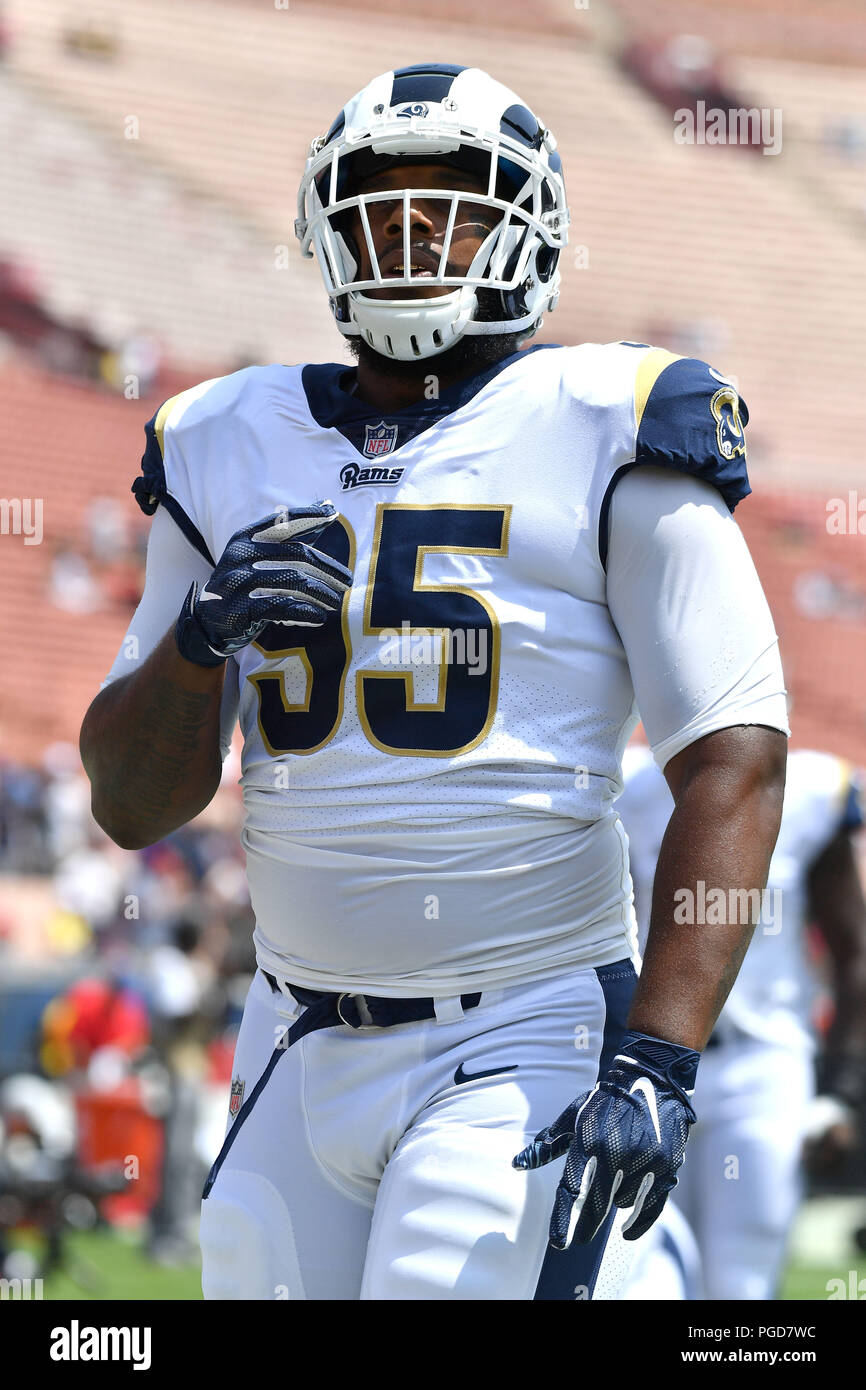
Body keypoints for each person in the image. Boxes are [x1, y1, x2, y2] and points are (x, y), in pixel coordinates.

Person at [80, 63, 788, 1301]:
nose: (410, 235)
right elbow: (130, 805)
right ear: (321, 228)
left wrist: (657, 1060)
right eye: (378, 205)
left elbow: (733, 755)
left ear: (531, 226)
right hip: (292, 1029)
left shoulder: (610, 418)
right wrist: (200, 641)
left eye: (451, 203)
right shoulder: (218, 440)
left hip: (521, 1026)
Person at [619, 745, 866, 1299]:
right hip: (648, 1060)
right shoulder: (629, 784)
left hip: (762, 1063)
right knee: (639, 1273)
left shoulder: (806, 793)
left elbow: (855, 953)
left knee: (742, 1282)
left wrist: (841, 1090)